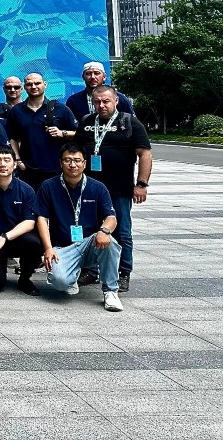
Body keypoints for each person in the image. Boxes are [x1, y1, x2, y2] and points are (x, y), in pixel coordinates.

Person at [74, 86, 152, 293]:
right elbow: (76, 152)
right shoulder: (86, 122)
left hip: (119, 190)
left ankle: (123, 272)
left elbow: (145, 153)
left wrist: (141, 184)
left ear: (116, 101)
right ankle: (90, 270)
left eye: (106, 101)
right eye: (97, 102)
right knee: (89, 229)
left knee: (122, 231)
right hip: (89, 190)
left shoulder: (129, 122)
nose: (101, 105)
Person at [35, 144, 123, 312]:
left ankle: (111, 291)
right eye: (67, 160)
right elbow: (41, 218)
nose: (72, 165)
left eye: (77, 160)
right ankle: (71, 276)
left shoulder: (98, 187)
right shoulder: (48, 186)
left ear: (84, 163)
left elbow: (111, 217)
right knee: (60, 281)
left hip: (90, 243)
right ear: (60, 163)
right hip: (63, 247)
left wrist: (104, 231)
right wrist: (48, 248)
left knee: (110, 241)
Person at [0, 146, 43, 296]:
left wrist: (4, 237)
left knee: (33, 242)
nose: (2, 164)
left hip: (15, 237)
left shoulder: (26, 190)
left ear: (15, 164)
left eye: (7, 160)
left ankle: (25, 279)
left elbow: (29, 222)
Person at [6, 73, 77, 190]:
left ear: (45, 85)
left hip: (55, 169)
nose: (33, 87)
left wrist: (62, 133)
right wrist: (18, 160)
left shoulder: (60, 109)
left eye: (37, 83)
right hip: (28, 169)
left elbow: (78, 134)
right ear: (24, 87)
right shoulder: (17, 111)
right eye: (29, 84)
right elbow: (12, 138)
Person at [66, 61, 135, 122]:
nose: (93, 77)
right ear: (83, 77)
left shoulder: (119, 98)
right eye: (88, 73)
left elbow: (132, 122)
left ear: (104, 77)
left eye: (97, 73)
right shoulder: (73, 101)